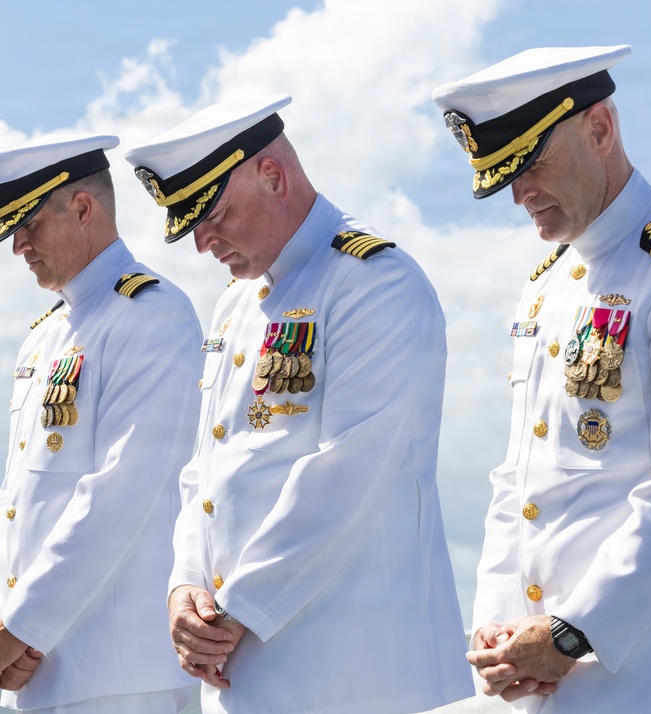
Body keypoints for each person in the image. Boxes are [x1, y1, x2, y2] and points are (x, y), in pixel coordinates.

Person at [432, 45, 651, 713]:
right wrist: (497, 628)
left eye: (531, 164)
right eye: (503, 177)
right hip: (550, 676)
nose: (521, 195)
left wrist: (571, 633)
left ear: (601, 129)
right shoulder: (548, 286)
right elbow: (521, 480)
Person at [122, 95, 475, 714]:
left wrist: (233, 609)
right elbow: (203, 472)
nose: (203, 243)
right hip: (243, 673)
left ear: (274, 176)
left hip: (356, 679)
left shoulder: (372, 282)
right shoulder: (235, 306)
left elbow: (347, 470)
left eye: (216, 214)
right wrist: (184, 588)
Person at [0, 133, 202, 713]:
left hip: (117, 674)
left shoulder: (151, 315)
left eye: (29, 224)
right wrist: (1, 625)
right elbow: (13, 502)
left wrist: (23, 622)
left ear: (82, 208)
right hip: (34, 670)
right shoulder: (44, 336)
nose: (18, 245)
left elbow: (125, 487)